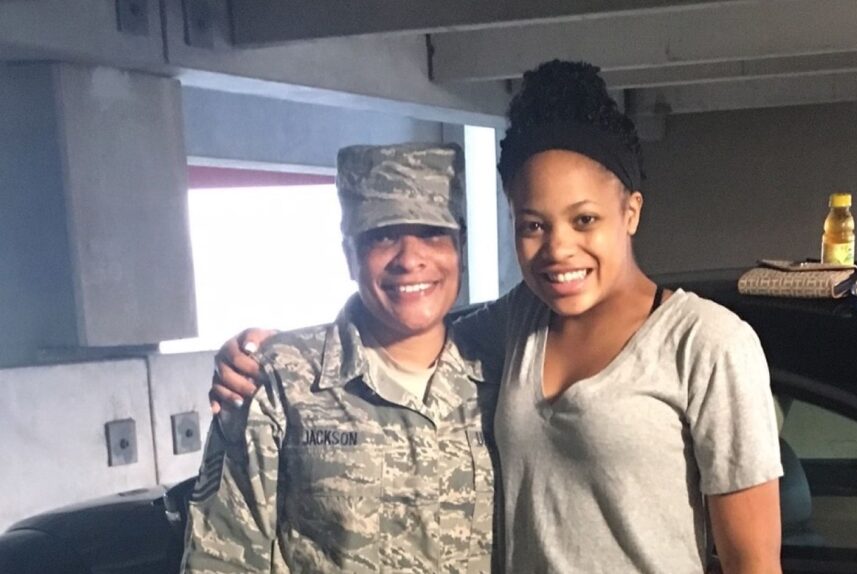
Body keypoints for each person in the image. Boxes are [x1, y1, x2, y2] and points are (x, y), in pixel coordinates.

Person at [213, 60, 783, 573]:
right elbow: (407, 326)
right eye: (533, 224)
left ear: (630, 211)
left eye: (584, 220)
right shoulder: (515, 326)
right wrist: (271, 353)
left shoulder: (706, 343)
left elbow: (753, 564)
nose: (558, 248)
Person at [182, 143, 499, 573]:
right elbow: (221, 557)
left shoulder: (503, 374)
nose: (410, 259)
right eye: (382, 235)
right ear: (350, 255)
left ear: (460, 248)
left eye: (430, 233)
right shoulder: (280, 380)